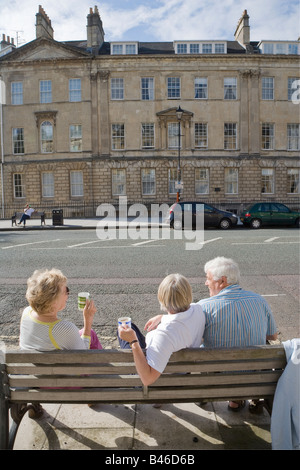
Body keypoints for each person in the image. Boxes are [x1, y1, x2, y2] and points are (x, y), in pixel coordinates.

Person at [146, 257, 278, 411]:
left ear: (222, 281)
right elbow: (272, 336)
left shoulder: (205, 307)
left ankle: (217, 398)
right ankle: (241, 400)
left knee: (205, 348)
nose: (205, 283)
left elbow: (185, 326)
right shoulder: (259, 301)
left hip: (218, 379)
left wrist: (163, 317)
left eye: (208, 279)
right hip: (256, 379)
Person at [118, 273, 205, 386]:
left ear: (162, 299)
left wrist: (133, 341)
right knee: (132, 327)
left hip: (160, 382)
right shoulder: (198, 310)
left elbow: (147, 379)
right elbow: (182, 317)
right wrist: (163, 317)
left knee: (125, 332)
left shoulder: (164, 334)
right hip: (182, 371)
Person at [19, 268, 103, 351]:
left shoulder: (26, 312)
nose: (68, 294)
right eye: (66, 291)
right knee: (90, 333)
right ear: (53, 302)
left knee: (86, 333)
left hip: (31, 363)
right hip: (61, 364)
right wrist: (88, 321)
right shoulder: (64, 329)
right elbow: (83, 353)